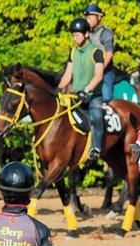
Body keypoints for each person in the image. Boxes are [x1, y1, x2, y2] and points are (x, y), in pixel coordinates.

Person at [58, 17, 105, 160]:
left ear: (86, 34)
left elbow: (99, 75)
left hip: (93, 96)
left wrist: (87, 90)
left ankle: (96, 147)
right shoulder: (73, 52)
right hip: (75, 95)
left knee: (96, 118)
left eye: (77, 34)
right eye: (73, 35)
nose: (75, 37)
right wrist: (59, 88)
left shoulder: (96, 51)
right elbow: (68, 74)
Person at [84, 4, 115, 105]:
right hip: (89, 72)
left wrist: (99, 71)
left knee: (106, 98)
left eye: (90, 17)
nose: (87, 19)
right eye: (86, 17)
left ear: (99, 17)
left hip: (105, 71)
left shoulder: (106, 33)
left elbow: (109, 55)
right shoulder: (87, 33)